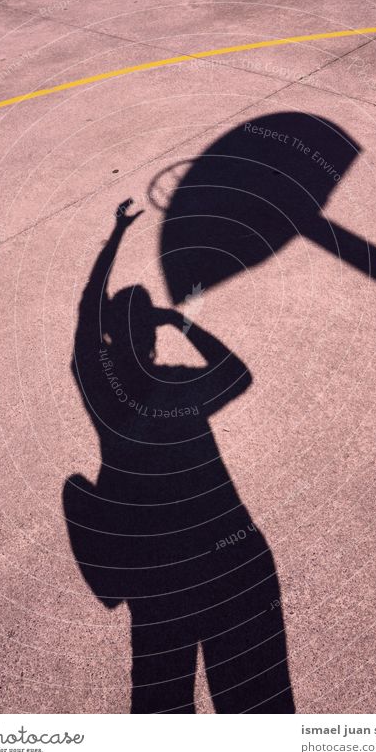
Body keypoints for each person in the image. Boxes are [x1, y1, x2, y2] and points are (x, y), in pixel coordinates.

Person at [63, 199, 294, 713]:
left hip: (157, 571)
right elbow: (239, 373)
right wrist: (180, 323)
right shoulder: (179, 388)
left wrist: (116, 234)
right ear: (150, 336)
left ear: (111, 337)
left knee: (161, 702)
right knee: (258, 707)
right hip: (231, 554)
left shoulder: (102, 388)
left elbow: (86, 306)